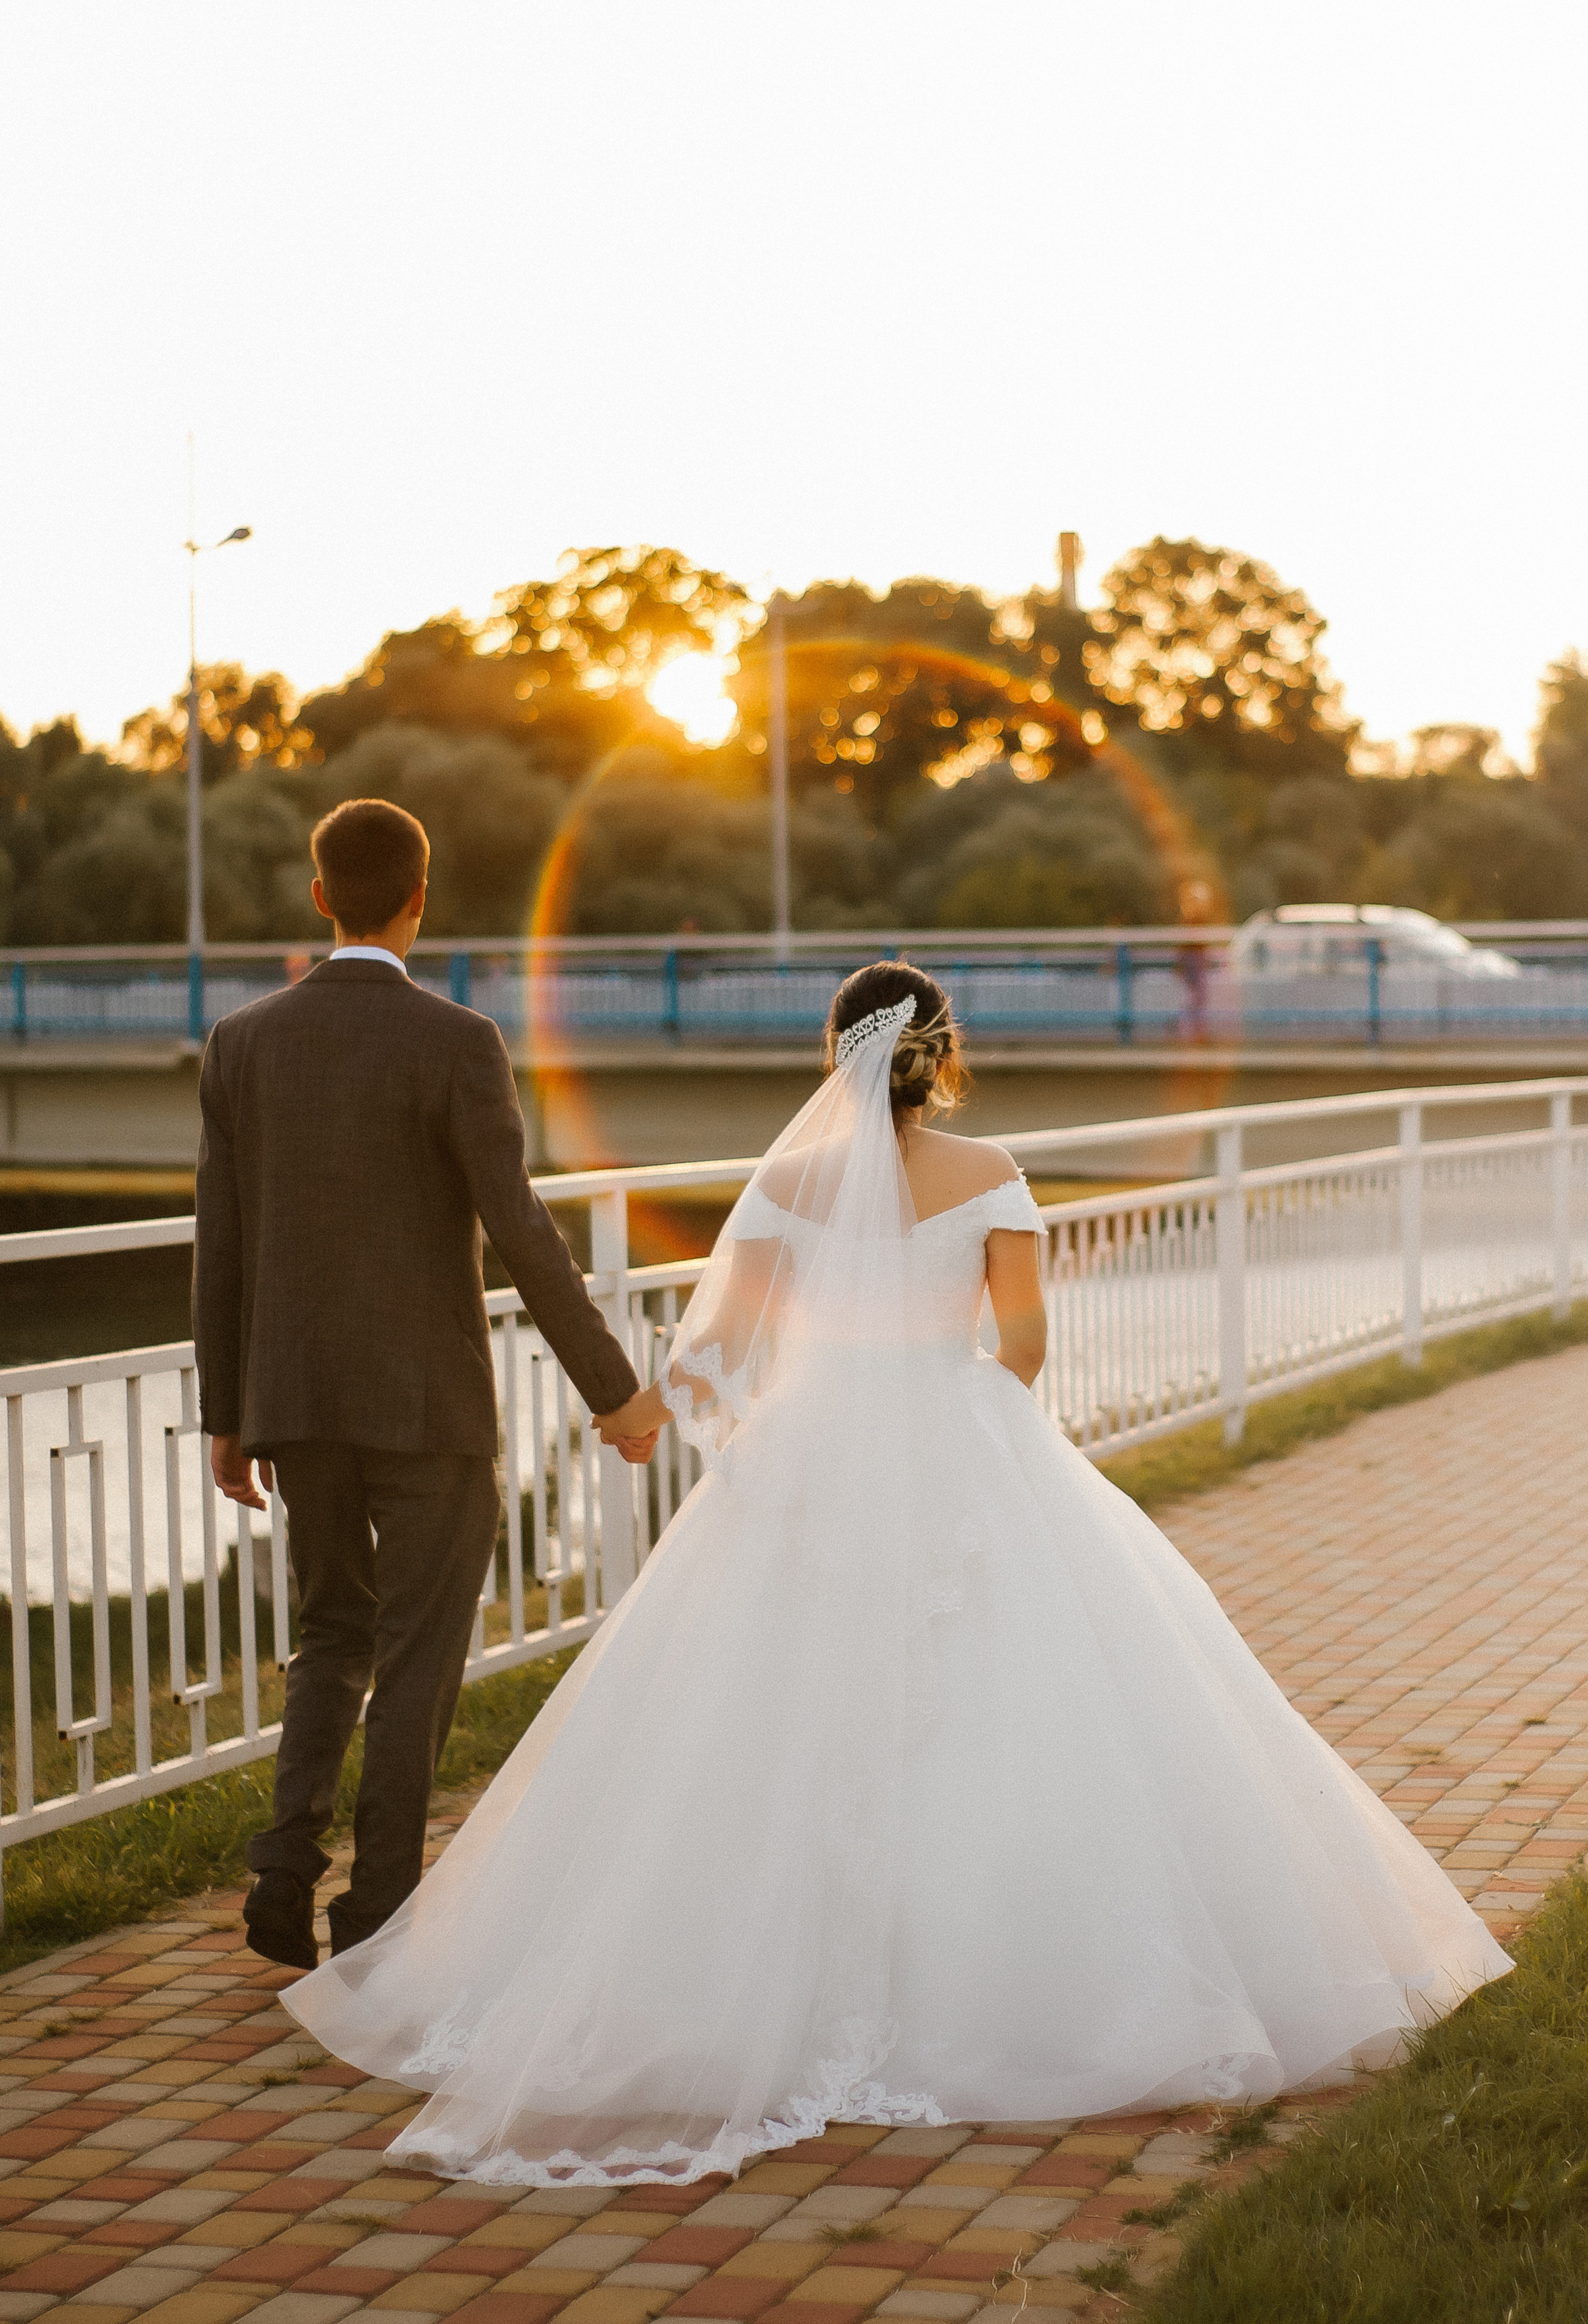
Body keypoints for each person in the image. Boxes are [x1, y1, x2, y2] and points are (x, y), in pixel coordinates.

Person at [283, 959, 1512, 2184]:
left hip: (809, 1458)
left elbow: (718, 1352)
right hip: (958, 1438)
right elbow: (1025, 1343)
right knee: (1030, 1701)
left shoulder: (790, 1178)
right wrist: (957, 1407)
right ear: (944, 1054)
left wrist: (647, 1411)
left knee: (741, 1711)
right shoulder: (993, 1178)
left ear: (838, 1057)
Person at [194, 797, 650, 1971]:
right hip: (430, 1408)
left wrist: (227, 1416)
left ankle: (284, 1873)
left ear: (318, 898)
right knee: (416, 1657)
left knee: (328, 1634)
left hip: (296, 1399)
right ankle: (377, 1912)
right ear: (420, 900)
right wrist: (614, 1391)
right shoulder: (458, 1044)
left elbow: (222, 1241)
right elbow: (522, 1232)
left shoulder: (242, 1043)